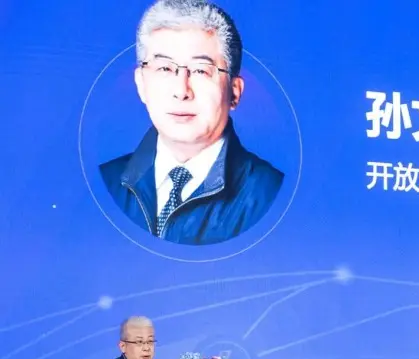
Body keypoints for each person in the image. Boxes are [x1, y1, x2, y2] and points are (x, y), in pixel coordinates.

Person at [99, 0, 284, 245]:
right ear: (141, 84)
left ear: (234, 92)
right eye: (164, 69)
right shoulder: (105, 183)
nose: (181, 91)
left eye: (200, 70)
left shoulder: (270, 196)